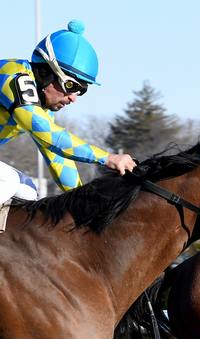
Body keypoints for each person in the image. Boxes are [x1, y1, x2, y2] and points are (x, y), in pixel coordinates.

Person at [0, 20, 136, 206]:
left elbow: (58, 157)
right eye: (70, 86)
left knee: (27, 192)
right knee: (9, 182)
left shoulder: (41, 109)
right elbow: (49, 134)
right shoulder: (14, 76)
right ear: (45, 72)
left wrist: (84, 203)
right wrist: (108, 158)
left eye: (81, 90)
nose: (73, 98)